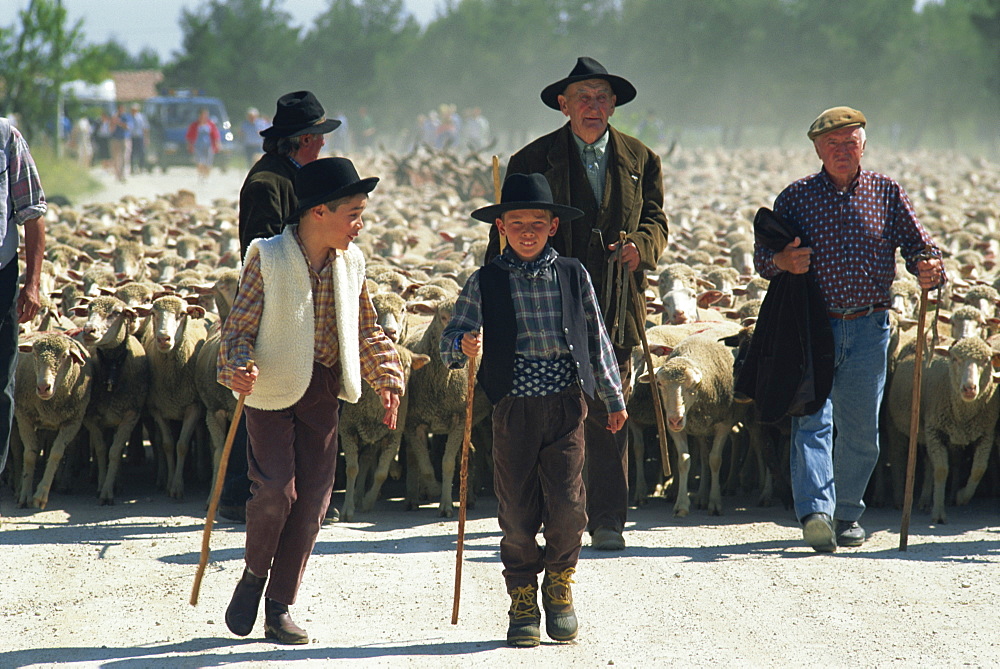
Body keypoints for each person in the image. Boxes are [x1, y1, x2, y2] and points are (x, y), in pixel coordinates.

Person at [485, 56, 669, 551]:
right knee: (549, 412)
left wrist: (641, 248)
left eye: (602, 97)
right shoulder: (531, 160)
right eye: (583, 98)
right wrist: (493, 305)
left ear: (614, 104)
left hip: (613, 301)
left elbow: (657, 221)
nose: (593, 106)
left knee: (611, 407)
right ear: (563, 105)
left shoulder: (641, 159)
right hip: (544, 306)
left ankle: (608, 518)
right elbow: (501, 237)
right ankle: (549, 514)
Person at [218, 156, 404, 644]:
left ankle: (279, 606)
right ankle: (255, 575)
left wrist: (388, 376)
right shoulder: (269, 257)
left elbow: (365, 327)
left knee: (316, 499)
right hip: (272, 386)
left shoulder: (351, 264)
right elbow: (239, 326)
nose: (360, 226)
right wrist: (238, 366)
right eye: (354, 214)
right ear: (319, 211)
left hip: (322, 391)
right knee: (277, 490)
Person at [443, 172, 627, 647]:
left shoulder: (572, 274)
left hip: (566, 405)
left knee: (568, 507)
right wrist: (461, 344)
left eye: (537, 222)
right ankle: (522, 595)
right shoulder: (485, 280)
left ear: (553, 227)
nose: (527, 231)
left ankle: (560, 584)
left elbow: (596, 337)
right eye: (517, 222)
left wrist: (611, 396)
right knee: (518, 512)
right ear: (501, 227)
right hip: (512, 408)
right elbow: (451, 338)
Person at [752, 106, 945, 552]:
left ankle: (847, 513)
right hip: (813, 325)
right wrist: (782, 261)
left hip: (869, 326)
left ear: (864, 144)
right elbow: (764, 259)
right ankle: (816, 512)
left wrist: (928, 266)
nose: (842, 151)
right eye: (832, 144)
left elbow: (919, 244)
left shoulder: (886, 192)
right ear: (818, 150)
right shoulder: (796, 198)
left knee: (861, 431)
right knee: (812, 421)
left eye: (850, 142)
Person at [217, 90, 342, 525]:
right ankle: (242, 494)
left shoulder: (289, 177)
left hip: (299, 303)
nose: (323, 146)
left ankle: (295, 494)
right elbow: (262, 249)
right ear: (304, 140)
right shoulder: (267, 183)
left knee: (290, 397)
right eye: (319, 138)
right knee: (265, 397)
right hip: (275, 306)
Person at [0, 117, 46, 489]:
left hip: (1, 274)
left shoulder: (6, 136)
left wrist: (32, 283)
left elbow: (31, 211)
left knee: (1, 382)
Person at [186, 108, 221, 181]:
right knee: (199, 162)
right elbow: (190, 136)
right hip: (198, 146)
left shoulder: (210, 124)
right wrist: (190, 145)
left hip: (208, 146)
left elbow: (215, 135)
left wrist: (217, 143)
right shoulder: (195, 125)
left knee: (208, 163)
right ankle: (201, 175)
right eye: (203, 115)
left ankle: (206, 176)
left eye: (206, 115)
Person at [108, 104, 133, 182]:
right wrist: (113, 121)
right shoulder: (114, 117)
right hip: (115, 139)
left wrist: (119, 122)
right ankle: (117, 175)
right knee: (116, 158)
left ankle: (124, 175)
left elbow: (128, 127)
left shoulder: (126, 117)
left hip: (124, 139)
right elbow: (110, 129)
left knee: (125, 157)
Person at [129, 103, 149, 174]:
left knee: (141, 152)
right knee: (132, 153)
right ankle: (132, 168)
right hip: (131, 137)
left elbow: (145, 128)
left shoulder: (141, 117)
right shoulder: (129, 117)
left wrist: (146, 138)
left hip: (139, 136)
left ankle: (141, 167)